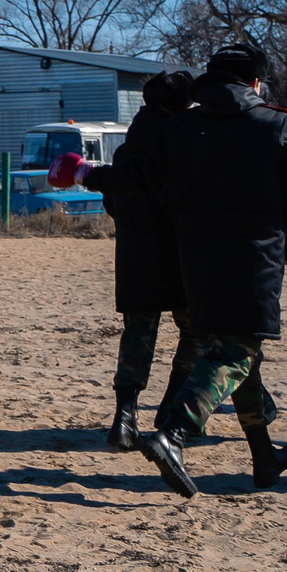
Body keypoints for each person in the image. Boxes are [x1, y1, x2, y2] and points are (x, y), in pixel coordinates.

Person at [131, 43, 287, 496]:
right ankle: (173, 433)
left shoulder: (179, 127)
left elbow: (148, 178)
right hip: (253, 256)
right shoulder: (273, 123)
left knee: (236, 348)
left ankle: (264, 457)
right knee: (239, 350)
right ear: (255, 82)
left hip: (193, 255)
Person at [55, 70, 198, 448]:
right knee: (196, 333)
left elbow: (112, 203)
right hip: (183, 257)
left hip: (136, 257)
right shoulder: (182, 146)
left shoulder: (124, 151)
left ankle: (125, 417)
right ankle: (170, 408)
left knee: (137, 337)